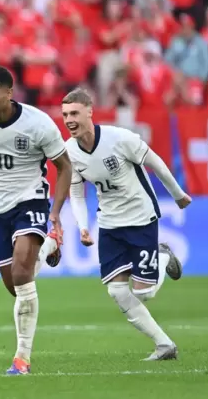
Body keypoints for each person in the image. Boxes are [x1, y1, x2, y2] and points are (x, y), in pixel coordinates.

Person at [0, 66, 71, 376]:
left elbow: (64, 165)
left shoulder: (38, 124)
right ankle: (48, 247)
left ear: (10, 92)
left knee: (22, 272)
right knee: (16, 284)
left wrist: (56, 212)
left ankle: (22, 358)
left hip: (30, 198)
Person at [61, 88, 189, 361]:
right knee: (117, 291)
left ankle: (163, 256)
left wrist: (177, 194)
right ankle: (164, 345)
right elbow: (75, 192)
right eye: (64, 114)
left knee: (145, 293)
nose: (69, 119)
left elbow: (156, 163)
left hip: (140, 218)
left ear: (89, 111)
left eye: (74, 113)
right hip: (109, 224)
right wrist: (82, 225)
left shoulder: (119, 138)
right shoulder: (69, 151)